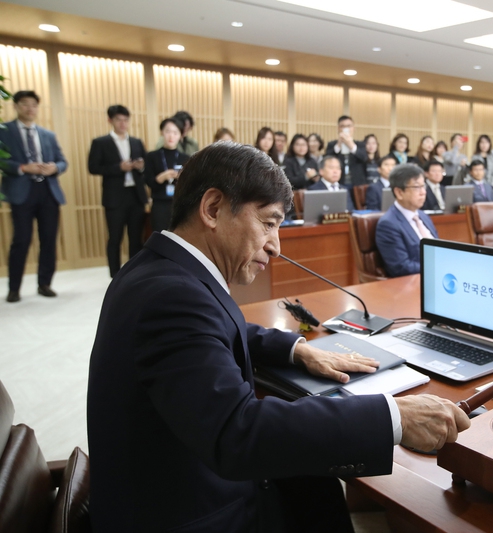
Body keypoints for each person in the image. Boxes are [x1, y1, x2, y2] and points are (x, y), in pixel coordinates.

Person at [87, 142, 468, 533]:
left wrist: (297, 349)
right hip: (191, 512)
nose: (276, 245)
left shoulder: (160, 268)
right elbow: (238, 432)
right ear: (213, 209)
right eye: (268, 223)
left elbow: (214, 328)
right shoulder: (173, 297)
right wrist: (393, 416)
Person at [0, 90, 68, 303]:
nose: (30, 109)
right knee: (21, 240)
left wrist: (53, 168)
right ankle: (14, 288)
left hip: (48, 191)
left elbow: (62, 161)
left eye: (34, 105)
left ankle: (45, 283)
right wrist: (22, 167)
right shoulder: (5, 131)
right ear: (16, 106)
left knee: (48, 239)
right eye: (25, 104)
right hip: (22, 192)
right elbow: (2, 161)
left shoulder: (47, 134)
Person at [88, 104, 148, 278]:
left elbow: (146, 165)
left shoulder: (136, 142)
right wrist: (118, 167)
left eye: (125, 120)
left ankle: (134, 272)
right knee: (115, 237)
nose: (122, 123)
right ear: (110, 120)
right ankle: (115, 274)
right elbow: (93, 167)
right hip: (114, 196)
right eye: (118, 120)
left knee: (136, 237)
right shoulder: (100, 142)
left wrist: (141, 166)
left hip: (135, 195)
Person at [375, 163, 440, 277]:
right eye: (416, 187)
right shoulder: (388, 224)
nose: (423, 192)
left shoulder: (423, 216)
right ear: (399, 192)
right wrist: (435, 267)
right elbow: (401, 267)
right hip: (413, 284)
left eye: (423, 186)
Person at [145, 118, 190, 234]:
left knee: (180, 237)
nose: (171, 136)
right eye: (168, 131)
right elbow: (148, 181)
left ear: (180, 136)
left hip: (179, 204)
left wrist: (181, 178)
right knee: (159, 236)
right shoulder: (152, 156)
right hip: (159, 204)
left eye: (175, 133)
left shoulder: (186, 158)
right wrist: (162, 177)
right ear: (162, 132)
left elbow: (190, 184)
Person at [325, 115, 368, 188]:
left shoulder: (360, 144)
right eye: (343, 126)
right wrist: (339, 144)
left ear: (353, 128)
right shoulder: (332, 144)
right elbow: (327, 159)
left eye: (349, 126)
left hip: (357, 183)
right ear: (338, 128)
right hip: (338, 182)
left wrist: (351, 145)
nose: (346, 128)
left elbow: (364, 158)